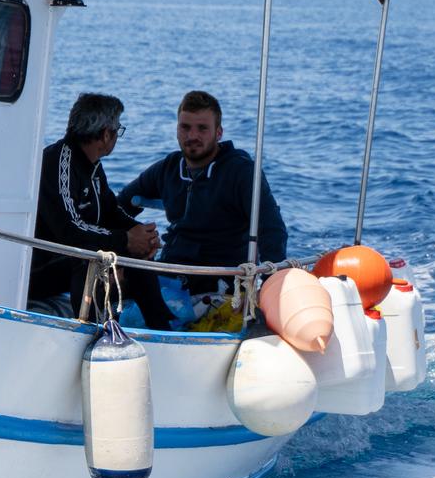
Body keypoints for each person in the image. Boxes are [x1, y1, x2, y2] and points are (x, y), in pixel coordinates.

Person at [27, 93, 174, 329]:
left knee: (136, 256)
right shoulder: (58, 162)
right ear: (106, 134)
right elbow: (69, 229)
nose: (117, 136)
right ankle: (89, 331)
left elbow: (110, 209)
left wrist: (140, 233)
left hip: (68, 260)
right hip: (42, 267)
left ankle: (163, 328)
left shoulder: (93, 165)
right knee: (91, 258)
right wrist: (125, 240)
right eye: (118, 130)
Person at [118, 89, 289, 285]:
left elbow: (272, 230)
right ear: (176, 129)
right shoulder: (169, 168)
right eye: (185, 127)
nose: (192, 135)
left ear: (218, 133)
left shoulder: (241, 172)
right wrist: (130, 238)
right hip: (170, 272)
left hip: (221, 282)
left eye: (202, 128)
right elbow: (121, 204)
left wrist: (269, 286)